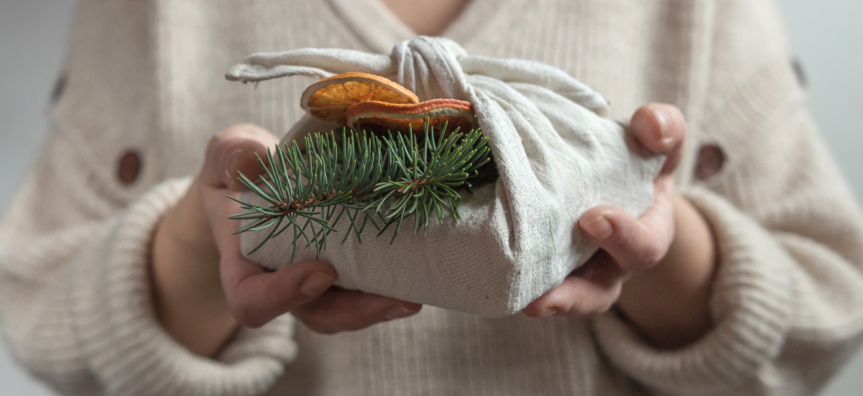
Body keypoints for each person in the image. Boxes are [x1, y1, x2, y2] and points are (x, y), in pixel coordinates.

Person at [1, 0, 862, 395]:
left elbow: (830, 307)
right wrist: (201, 241)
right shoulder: (148, 14)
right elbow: (35, 306)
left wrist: (656, 244)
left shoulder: (699, 11)